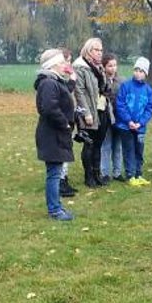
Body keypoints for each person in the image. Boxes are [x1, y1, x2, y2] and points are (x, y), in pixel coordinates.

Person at [35, 48, 77, 220]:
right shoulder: (49, 83)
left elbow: (63, 95)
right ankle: (54, 210)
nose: (65, 65)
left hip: (56, 134)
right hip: (52, 134)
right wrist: (65, 123)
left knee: (55, 172)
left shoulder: (54, 82)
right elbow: (49, 108)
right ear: (53, 65)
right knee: (54, 174)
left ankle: (57, 206)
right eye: (61, 62)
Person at [73, 37, 108, 188]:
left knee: (98, 144)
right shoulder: (80, 67)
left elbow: (103, 87)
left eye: (101, 50)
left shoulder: (98, 67)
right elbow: (79, 91)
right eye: (96, 50)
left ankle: (97, 173)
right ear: (88, 50)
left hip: (101, 109)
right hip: (88, 111)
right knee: (89, 144)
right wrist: (86, 113)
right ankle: (88, 177)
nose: (99, 53)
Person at [115, 57, 152, 186]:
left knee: (139, 150)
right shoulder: (125, 86)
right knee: (129, 150)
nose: (138, 73)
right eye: (136, 70)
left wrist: (141, 122)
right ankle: (130, 175)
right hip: (125, 126)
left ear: (146, 74)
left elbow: (149, 109)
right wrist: (128, 121)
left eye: (141, 71)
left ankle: (139, 174)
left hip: (140, 127)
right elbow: (120, 105)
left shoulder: (148, 90)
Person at [100, 53, 124, 182]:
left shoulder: (121, 81)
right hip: (106, 117)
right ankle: (104, 173)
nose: (113, 68)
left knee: (118, 145)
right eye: (110, 66)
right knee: (106, 145)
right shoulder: (101, 80)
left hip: (119, 118)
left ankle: (117, 172)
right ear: (104, 67)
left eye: (114, 65)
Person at [58, 48, 79, 198]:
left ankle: (64, 178)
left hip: (68, 119)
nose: (69, 64)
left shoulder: (62, 79)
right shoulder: (57, 81)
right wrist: (72, 79)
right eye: (67, 61)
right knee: (61, 151)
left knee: (67, 149)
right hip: (61, 121)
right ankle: (60, 182)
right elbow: (65, 93)